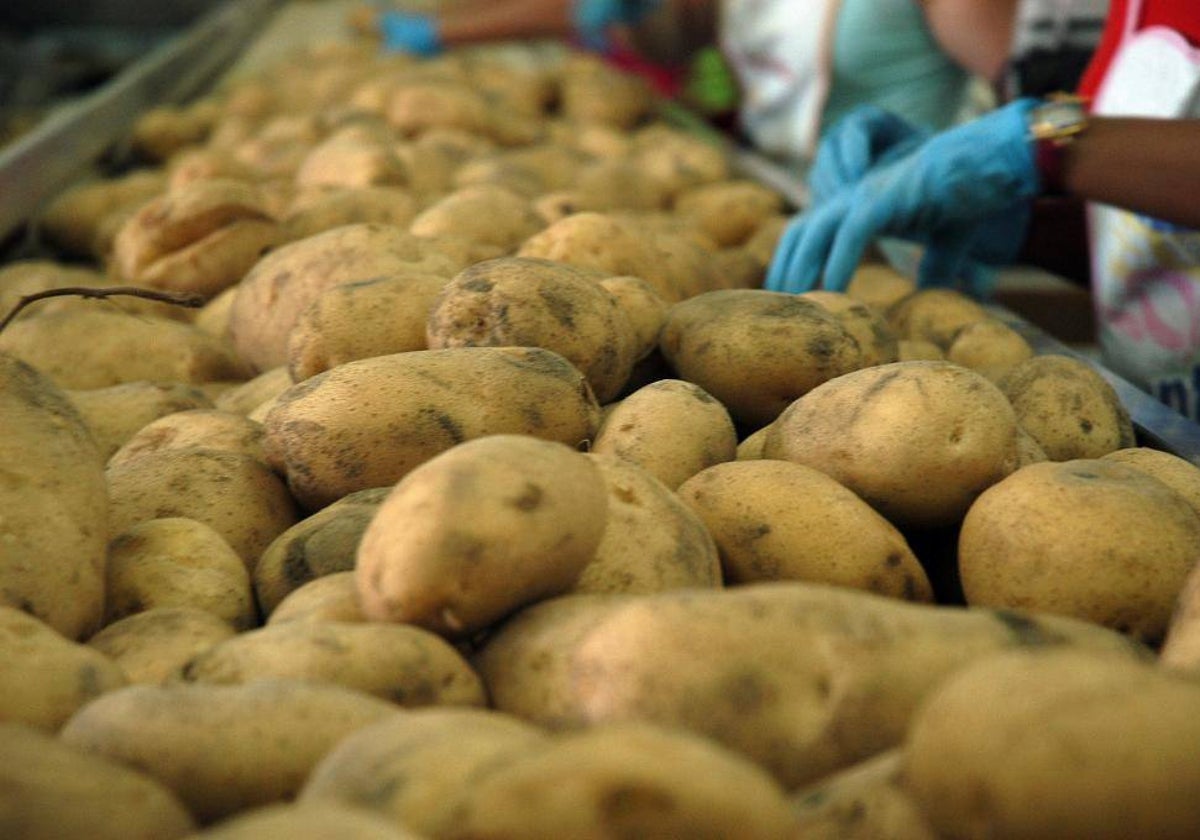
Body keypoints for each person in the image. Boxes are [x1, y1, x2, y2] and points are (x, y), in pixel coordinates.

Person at [766, 0, 1200, 420]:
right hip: (1165, 418)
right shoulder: (1128, 9)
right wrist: (1025, 226)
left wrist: (1044, 145)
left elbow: (1066, 128)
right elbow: (1081, 125)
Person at [356, 0, 1018, 166]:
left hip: (918, 239)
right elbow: (666, 33)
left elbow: (1040, 107)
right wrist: (446, 33)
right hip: (787, 197)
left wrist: (992, 169)